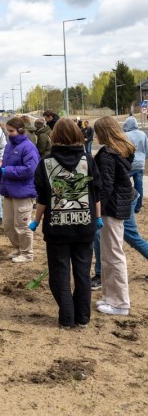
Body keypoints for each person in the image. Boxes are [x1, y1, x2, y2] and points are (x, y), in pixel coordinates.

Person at [31, 119, 101, 329]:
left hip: (57, 229)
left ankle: (67, 316)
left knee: (59, 274)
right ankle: (82, 318)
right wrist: (97, 217)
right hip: (84, 226)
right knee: (82, 273)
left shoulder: (46, 163)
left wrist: (36, 221)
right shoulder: (88, 160)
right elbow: (96, 193)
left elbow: (42, 198)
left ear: (55, 137)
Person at [93, 116, 135, 316]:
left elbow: (105, 187)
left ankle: (120, 303)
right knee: (109, 254)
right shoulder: (122, 150)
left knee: (113, 255)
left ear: (104, 132)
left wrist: (96, 211)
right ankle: (110, 297)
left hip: (111, 209)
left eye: (97, 131)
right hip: (117, 207)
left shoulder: (108, 155)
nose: (94, 135)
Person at [0, 117, 39, 263]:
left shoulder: (29, 147)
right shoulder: (9, 146)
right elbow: (5, 164)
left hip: (23, 192)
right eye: (7, 131)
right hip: (9, 191)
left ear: (20, 130)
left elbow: (30, 169)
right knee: (8, 224)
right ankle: (19, 248)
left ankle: (27, 253)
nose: (9, 133)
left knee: (22, 225)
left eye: (11, 131)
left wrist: (6, 171)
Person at [92, 190, 148, 290]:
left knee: (131, 237)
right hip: (116, 199)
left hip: (121, 200)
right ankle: (100, 274)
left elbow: (105, 188)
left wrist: (98, 214)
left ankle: (100, 275)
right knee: (98, 235)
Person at [122, 115, 148, 213]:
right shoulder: (143, 134)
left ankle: (126, 204)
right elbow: (146, 148)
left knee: (124, 184)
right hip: (140, 164)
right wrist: (143, 158)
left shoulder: (126, 135)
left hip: (129, 164)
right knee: (139, 186)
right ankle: (138, 207)